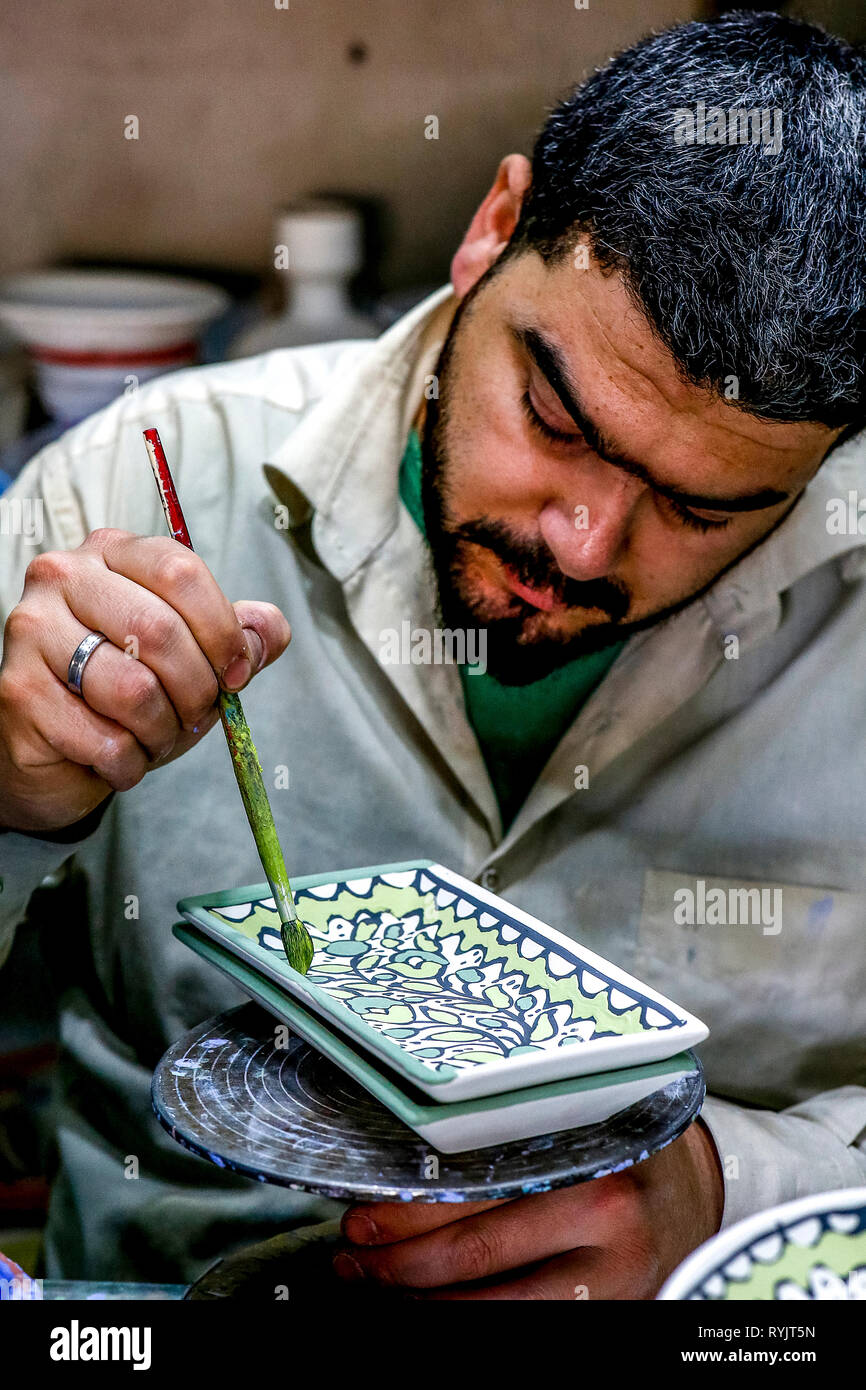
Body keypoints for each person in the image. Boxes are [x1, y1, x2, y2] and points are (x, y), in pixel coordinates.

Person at [2, 12, 866, 1299]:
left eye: (699, 510)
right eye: (553, 416)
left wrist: (731, 1191)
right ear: (487, 230)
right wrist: (5, 799)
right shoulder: (149, 480)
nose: (580, 545)